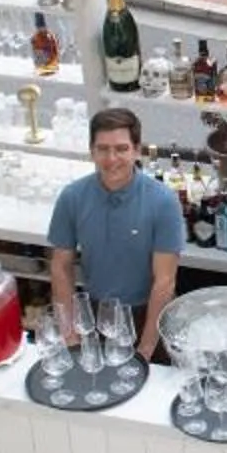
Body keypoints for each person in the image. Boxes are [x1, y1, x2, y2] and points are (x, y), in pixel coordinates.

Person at [47, 107, 182, 360]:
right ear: (91, 151)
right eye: (103, 149)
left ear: (137, 150)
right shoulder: (72, 197)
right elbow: (60, 267)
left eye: (121, 149)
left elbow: (164, 282)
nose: (111, 159)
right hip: (97, 314)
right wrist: (69, 334)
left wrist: (146, 348)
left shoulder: (163, 201)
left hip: (150, 316)